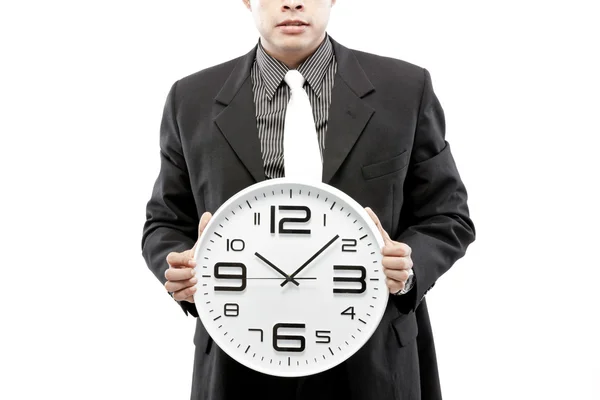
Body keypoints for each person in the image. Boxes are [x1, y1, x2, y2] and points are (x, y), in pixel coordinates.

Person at [141, 0, 476, 399]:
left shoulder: (404, 89)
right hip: (238, 357)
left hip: (373, 359)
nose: (293, 2)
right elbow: (165, 222)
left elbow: (447, 214)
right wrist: (178, 265)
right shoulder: (191, 98)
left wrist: (409, 265)